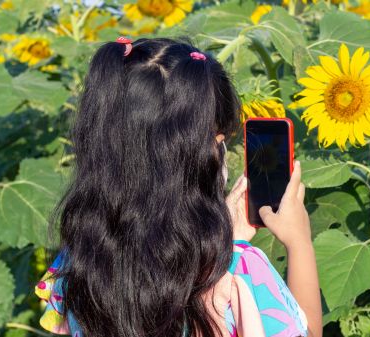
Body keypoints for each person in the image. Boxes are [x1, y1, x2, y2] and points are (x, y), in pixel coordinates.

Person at [34, 36, 322, 337]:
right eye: (217, 139)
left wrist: (219, 236)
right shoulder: (239, 273)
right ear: (193, 155)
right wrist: (298, 242)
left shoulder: (79, 261)